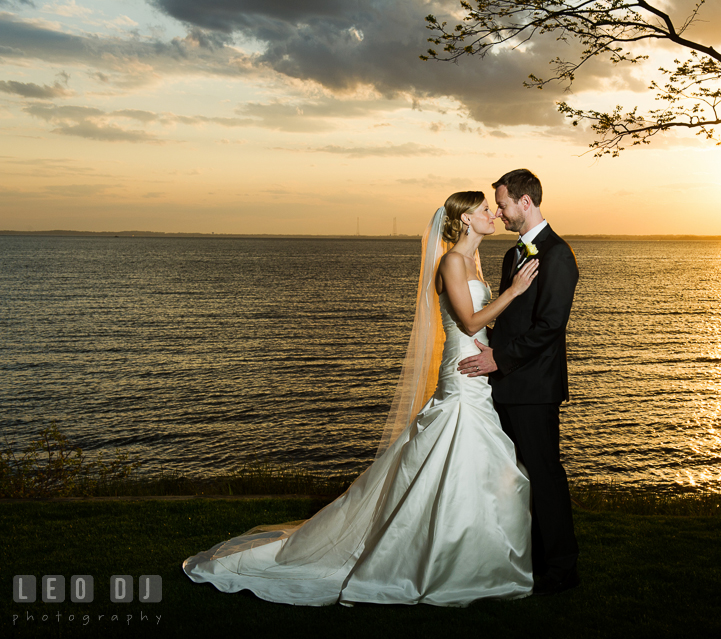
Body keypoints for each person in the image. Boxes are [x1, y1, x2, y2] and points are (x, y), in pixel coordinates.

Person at [183, 191, 539, 607]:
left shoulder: (473, 262)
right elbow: (468, 319)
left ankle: (467, 555)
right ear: (464, 220)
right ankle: (436, 559)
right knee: (461, 452)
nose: (493, 213)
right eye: (483, 210)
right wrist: (514, 292)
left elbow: (479, 327)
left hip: (477, 366)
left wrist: (498, 348)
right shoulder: (452, 262)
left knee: (475, 463)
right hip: (462, 374)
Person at [457, 169, 580, 596]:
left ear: (524, 203)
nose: (501, 213)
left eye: (504, 204)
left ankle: (562, 568)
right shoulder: (513, 256)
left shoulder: (559, 255)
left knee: (545, 476)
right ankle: (526, 557)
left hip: (533, 389)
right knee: (514, 478)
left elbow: (549, 326)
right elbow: (510, 318)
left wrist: (499, 359)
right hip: (503, 383)